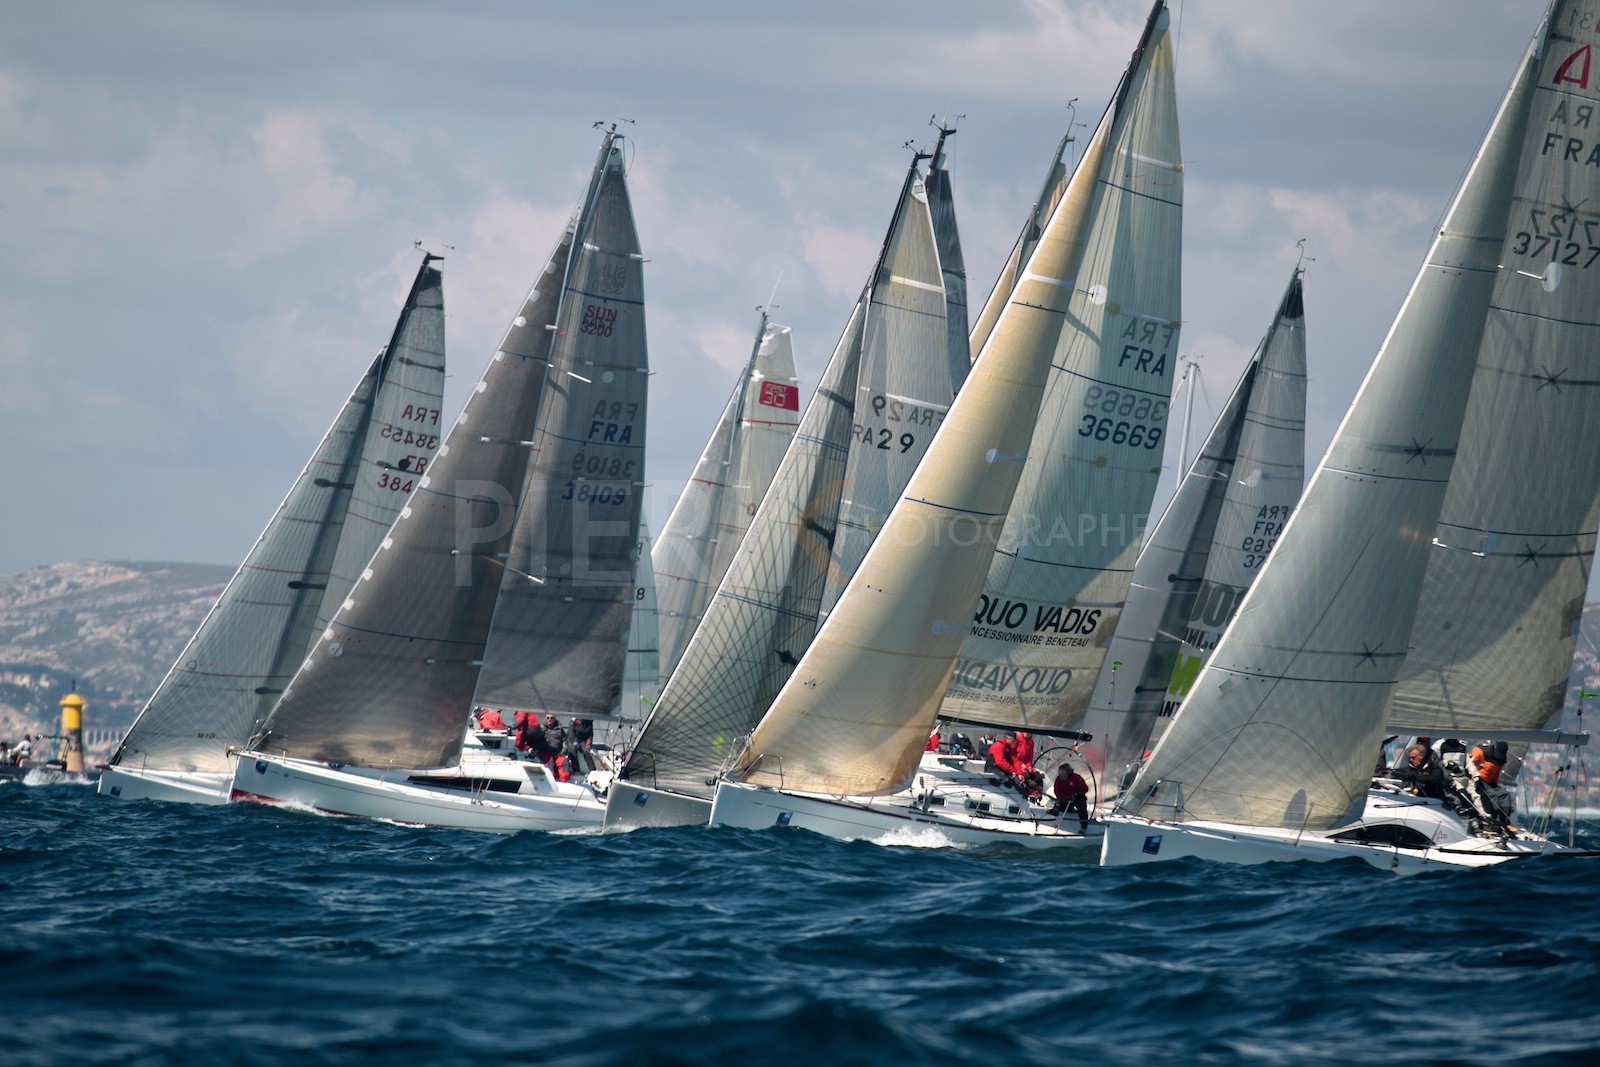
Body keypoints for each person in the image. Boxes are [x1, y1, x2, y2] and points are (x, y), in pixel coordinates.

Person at [1052, 762, 1090, 832]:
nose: (1060, 773)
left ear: (1067, 772)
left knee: (1082, 810)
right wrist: (1066, 798)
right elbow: (1057, 793)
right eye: (1059, 771)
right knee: (1058, 807)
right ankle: (1057, 824)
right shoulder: (1058, 780)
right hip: (1066, 798)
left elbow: (1085, 788)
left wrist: (1077, 794)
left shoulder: (1076, 777)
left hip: (1077, 797)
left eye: (1062, 771)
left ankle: (1083, 827)